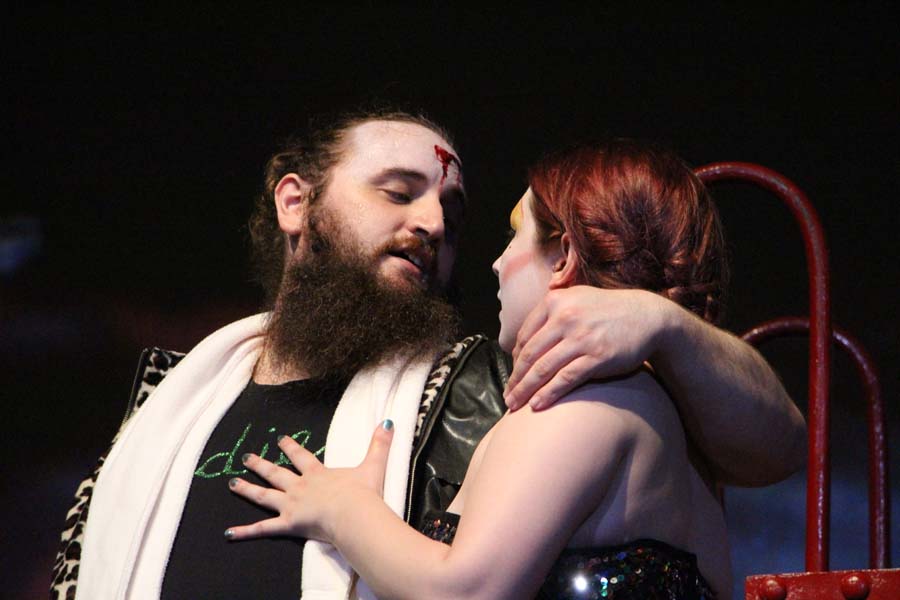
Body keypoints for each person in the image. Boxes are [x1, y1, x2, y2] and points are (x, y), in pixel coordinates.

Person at [52, 111, 804, 600]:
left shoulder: (516, 384)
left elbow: (775, 445)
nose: (435, 224)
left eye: (452, 210)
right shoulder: (169, 399)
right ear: (295, 203)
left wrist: (662, 323)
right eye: (398, 191)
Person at [228, 139, 739, 598]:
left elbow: (466, 591)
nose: (496, 263)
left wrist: (345, 510)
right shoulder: (680, 418)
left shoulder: (582, 399)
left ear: (563, 257)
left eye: (515, 234)